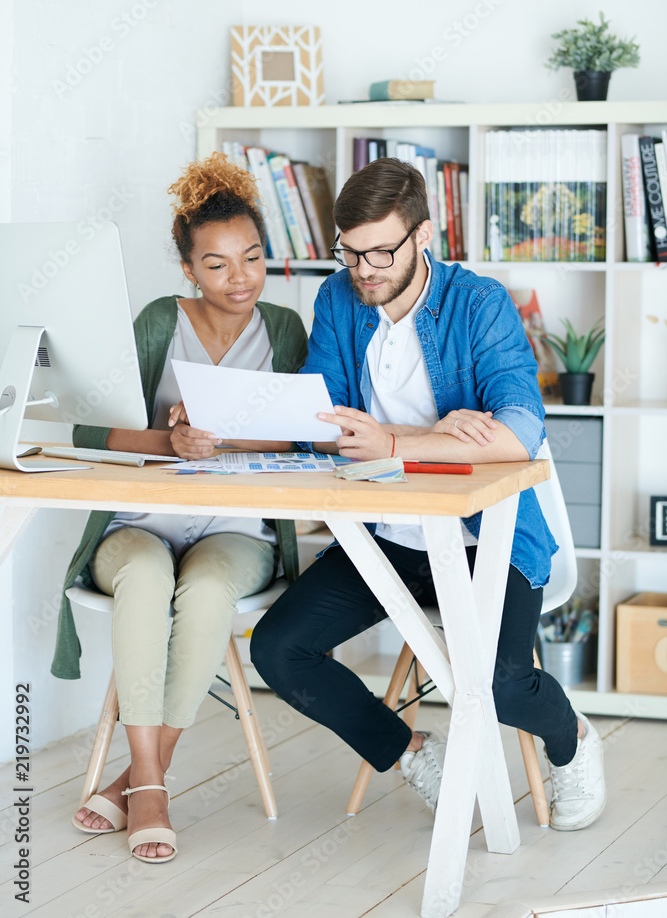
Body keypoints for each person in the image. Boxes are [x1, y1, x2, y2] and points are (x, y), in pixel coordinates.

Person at [251, 157, 605, 831]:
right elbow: (317, 422)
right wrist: (428, 431)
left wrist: (390, 443)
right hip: (387, 536)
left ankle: (572, 741)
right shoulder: (339, 299)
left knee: (499, 685)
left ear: (423, 235)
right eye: (349, 252)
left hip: (486, 538)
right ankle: (410, 750)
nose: (364, 270)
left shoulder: (479, 304)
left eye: (381, 250)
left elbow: (518, 434)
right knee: (278, 649)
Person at [51, 153, 307, 862]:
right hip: (139, 519)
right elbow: (89, 427)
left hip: (235, 525)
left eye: (252, 258)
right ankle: (155, 784)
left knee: (206, 592)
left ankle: (140, 778)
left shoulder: (285, 329)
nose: (240, 279)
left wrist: (224, 438)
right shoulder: (158, 321)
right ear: (189, 270)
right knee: (149, 578)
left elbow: (304, 431)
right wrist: (169, 438)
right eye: (217, 265)